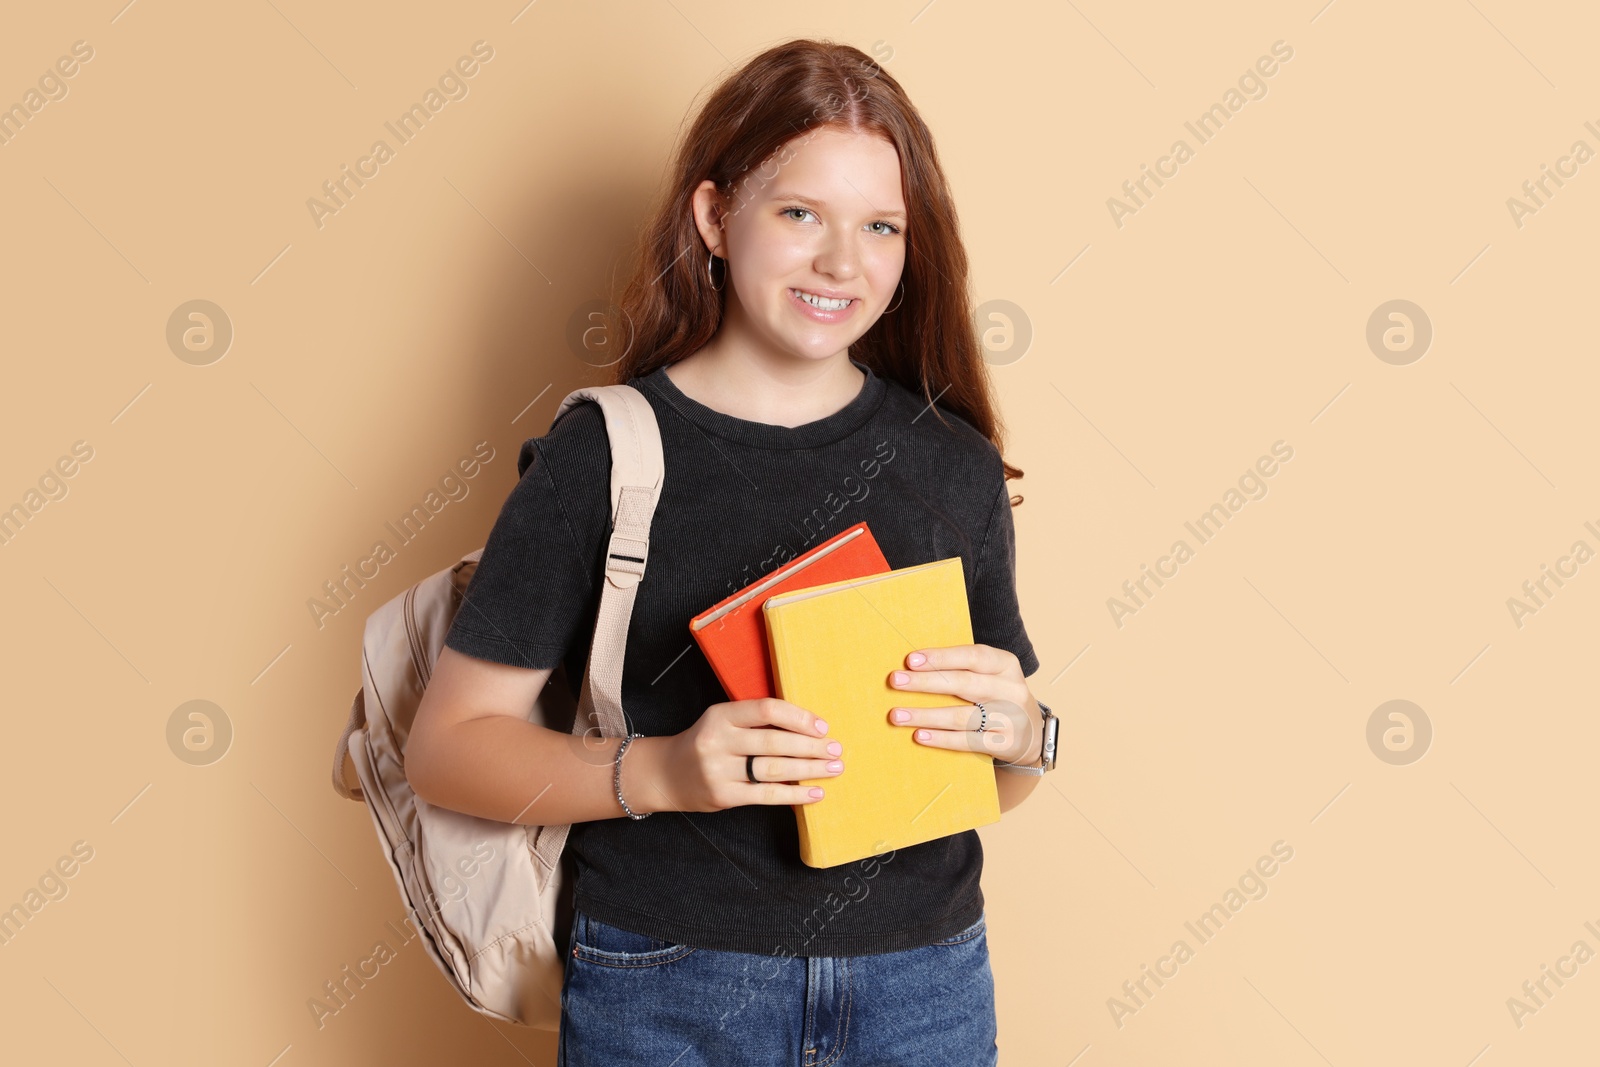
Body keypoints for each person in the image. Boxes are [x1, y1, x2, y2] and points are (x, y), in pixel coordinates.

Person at [405, 37, 1051, 1066]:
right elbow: (446, 746)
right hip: (667, 978)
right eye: (800, 214)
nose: (843, 262)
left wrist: (1024, 736)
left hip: (923, 982)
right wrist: (660, 768)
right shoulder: (605, 456)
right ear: (714, 217)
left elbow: (993, 778)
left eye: (880, 225)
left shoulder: (952, 463)